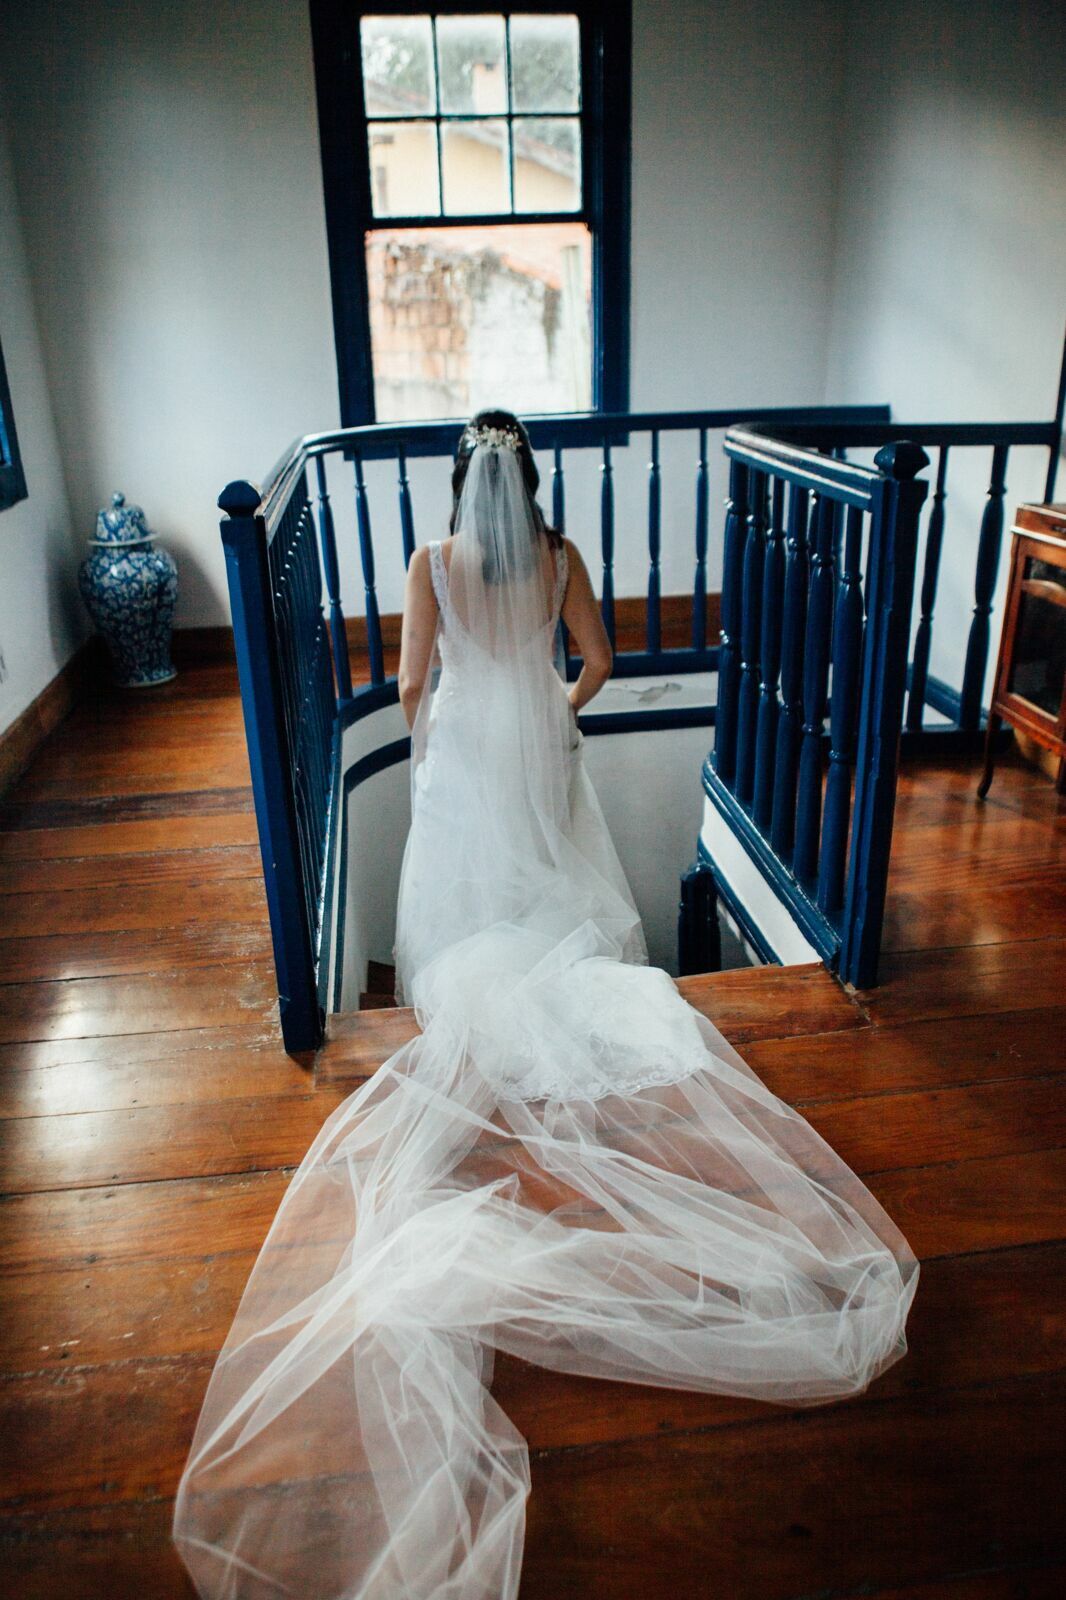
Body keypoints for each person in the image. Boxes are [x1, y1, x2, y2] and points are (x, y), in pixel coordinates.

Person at [172, 409, 919, 1600]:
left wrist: (439, 738)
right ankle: (559, 995)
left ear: (463, 487)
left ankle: (480, 998)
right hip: (540, 741)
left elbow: (413, 682)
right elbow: (604, 664)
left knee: (466, 904)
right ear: (532, 483)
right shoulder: (565, 560)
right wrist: (553, 711)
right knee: (561, 888)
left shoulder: (427, 565)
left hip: (468, 748)